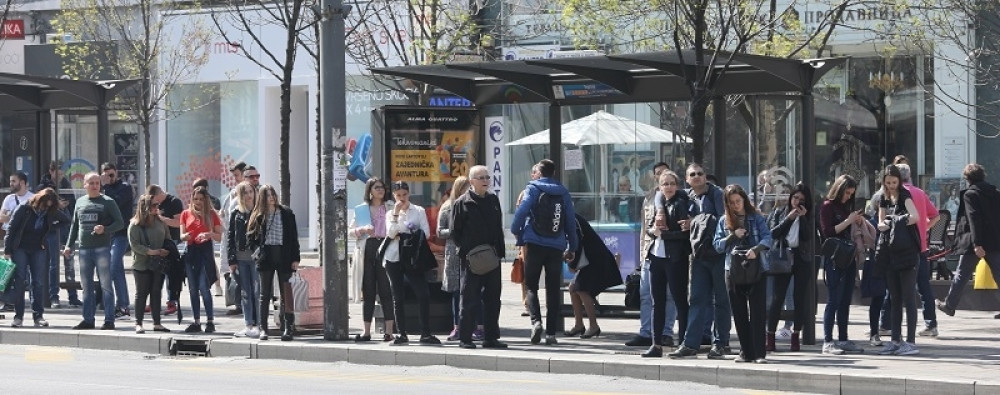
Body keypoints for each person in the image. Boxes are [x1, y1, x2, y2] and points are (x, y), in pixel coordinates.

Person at [511, 159, 579, 346]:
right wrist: (572, 246)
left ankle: (536, 322)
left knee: (531, 285)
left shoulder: (533, 188)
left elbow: (522, 211)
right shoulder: (563, 192)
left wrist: (516, 230)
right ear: (553, 173)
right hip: (556, 246)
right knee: (552, 288)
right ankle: (550, 334)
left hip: (534, 243)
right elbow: (570, 221)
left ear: (539, 173)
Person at [670, 163, 730, 359]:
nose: (696, 177)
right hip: (699, 256)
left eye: (700, 174)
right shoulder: (687, 197)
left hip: (718, 254)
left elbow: (724, 220)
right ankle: (690, 343)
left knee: (721, 300)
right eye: (692, 174)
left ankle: (721, 344)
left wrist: (694, 222)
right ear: (687, 179)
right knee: (696, 299)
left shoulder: (717, 194)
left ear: (705, 177)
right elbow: (662, 194)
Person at [451, 166, 508, 349]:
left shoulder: (493, 200)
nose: (485, 180)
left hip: (492, 257)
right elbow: (455, 232)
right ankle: (465, 338)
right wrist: (467, 251)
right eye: (481, 177)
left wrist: (499, 252)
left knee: (493, 299)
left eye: (487, 177)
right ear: (472, 181)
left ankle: (490, 337)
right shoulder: (462, 202)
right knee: (469, 299)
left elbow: (498, 227)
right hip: (471, 259)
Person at [714, 184, 772, 363]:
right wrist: (733, 235)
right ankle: (746, 352)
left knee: (758, 312)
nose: (736, 205)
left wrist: (757, 249)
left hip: (756, 267)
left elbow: (768, 237)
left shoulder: (756, 217)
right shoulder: (724, 221)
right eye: (732, 202)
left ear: (744, 200)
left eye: (738, 201)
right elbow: (717, 245)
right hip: (733, 270)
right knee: (739, 313)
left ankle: (759, 353)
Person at [641, 170, 694, 358]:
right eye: (665, 184)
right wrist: (653, 231)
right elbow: (649, 229)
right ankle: (656, 345)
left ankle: (685, 343)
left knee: (680, 300)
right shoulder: (658, 203)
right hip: (656, 256)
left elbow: (685, 235)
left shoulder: (680, 204)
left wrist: (664, 234)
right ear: (660, 187)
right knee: (657, 301)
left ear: (677, 186)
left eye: (672, 184)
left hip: (675, 258)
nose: (668, 187)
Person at [63, 172, 125, 330]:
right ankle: (88, 320)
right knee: (87, 286)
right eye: (91, 183)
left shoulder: (108, 202)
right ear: (84, 185)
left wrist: (105, 229)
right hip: (83, 249)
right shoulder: (80, 202)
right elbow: (74, 226)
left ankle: (109, 320)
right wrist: (69, 245)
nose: (95, 186)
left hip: (102, 249)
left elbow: (120, 223)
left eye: (97, 183)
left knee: (105, 285)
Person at [626, 162, 678, 348]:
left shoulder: (678, 199)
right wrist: (641, 254)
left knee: (669, 295)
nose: (662, 177)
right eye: (658, 174)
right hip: (650, 251)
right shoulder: (648, 198)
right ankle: (646, 332)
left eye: (665, 173)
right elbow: (643, 229)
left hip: (672, 254)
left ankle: (666, 332)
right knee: (646, 294)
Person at [938, 163, 1000, 317]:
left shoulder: (970, 194)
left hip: (974, 242)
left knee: (962, 274)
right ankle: (949, 305)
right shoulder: (995, 192)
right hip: (994, 241)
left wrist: (977, 243)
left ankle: (950, 305)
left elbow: (974, 218)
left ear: (967, 178)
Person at [382, 181, 439, 345]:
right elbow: (391, 233)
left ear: (409, 194)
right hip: (394, 257)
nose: (402, 199)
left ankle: (426, 333)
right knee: (397, 296)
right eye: (398, 195)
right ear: (394, 196)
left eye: (404, 195)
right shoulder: (390, 213)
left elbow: (426, 233)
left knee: (423, 294)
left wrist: (405, 233)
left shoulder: (418, 210)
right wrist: (396, 215)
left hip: (413, 258)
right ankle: (402, 334)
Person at [3, 189, 69, 328]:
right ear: (38, 201)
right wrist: (8, 251)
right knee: (20, 281)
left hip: (38, 248)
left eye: (49, 206)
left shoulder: (49, 211)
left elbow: (66, 220)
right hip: (20, 248)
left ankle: (38, 315)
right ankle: (18, 316)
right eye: (44, 205)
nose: (45, 208)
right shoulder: (24, 208)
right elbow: (11, 229)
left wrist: (51, 227)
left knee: (38, 282)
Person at [876, 164, 921, 356]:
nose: (892, 186)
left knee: (909, 297)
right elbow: (879, 222)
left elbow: (915, 217)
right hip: (890, 252)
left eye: (894, 182)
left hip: (908, 252)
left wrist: (895, 220)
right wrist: (885, 224)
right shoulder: (883, 198)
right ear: (883, 182)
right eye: (888, 183)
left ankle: (910, 341)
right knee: (894, 298)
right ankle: (895, 339)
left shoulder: (904, 196)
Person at [818, 174, 865, 355]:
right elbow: (828, 232)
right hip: (834, 257)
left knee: (845, 300)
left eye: (851, 194)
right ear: (839, 189)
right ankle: (828, 341)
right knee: (833, 300)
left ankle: (843, 338)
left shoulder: (846, 207)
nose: (848, 197)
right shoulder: (827, 206)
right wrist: (848, 221)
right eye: (847, 192)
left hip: (848, 256)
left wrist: (856, 221)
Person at [248, 185, 300, 341]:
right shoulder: (258, 215)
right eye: (268, 195)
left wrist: (296, 258)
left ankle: (288, 328)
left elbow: (293, 237)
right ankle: (264, 329)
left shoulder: (286, 213)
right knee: (264, 294)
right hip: (267, 257)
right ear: (263, 198)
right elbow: (250, 237)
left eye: (273, 194)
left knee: (287, 294)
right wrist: (258, 253)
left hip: (284, 255)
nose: (271, 197)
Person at [765, 183, 814, 352]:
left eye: (801, 200)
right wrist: (790, 219)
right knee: (777, 298)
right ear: (790, 198)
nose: (797, 202)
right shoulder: (779, 213)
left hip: (801, 258)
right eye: (795, 198)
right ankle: (770, 336)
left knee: (799, 298)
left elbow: (808, 238)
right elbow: (773, 233)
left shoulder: (807, 216)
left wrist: (804, 218)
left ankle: (795, 336)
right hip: (782, 256)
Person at [896, 164, 941, 337]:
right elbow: (936, 215)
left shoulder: (899, 194)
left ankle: (886, 323)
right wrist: (925, 228)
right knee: (924, 286)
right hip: (921, 245)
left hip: (903, 248)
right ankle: (931, 324)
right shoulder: (920, 192)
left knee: (893, 287)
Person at [348, 177, 395, 342]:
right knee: (367, 292)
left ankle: (389, 331)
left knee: (386, 291)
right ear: (369, 190)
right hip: (367, 250)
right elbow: (350, 231)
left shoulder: (390, 207)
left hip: (385, 248)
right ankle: (366, 332)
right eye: (376, 187)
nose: (380, 190)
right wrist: (362, 229)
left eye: (382, 187)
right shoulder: (361, 209)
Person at [567, 212, 622, 341]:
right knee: (573, 287)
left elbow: (577, 243)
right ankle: (579, 324)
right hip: (591, 259)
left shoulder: (572, 219)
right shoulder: (570, 218)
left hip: (597, 260)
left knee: (582, 289)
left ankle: (593, 326)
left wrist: (573, 263)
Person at [179, 186, 223, 334]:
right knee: (192, 289)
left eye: (201, 199)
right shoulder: (185, 214)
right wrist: (186, 237)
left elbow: (219, 236)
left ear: (206, 200)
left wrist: (208, 234)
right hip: (191, 252)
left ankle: (210, 321)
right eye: (195, 199)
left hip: (205, 253)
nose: (198, 202)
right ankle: (196, 321)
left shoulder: (211, 214)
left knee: (204, 288)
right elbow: (182, 235)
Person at [37, 161, 80, 308]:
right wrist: (57, 204)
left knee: (70, 264)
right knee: (53, 265)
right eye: (58, 173)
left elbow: (73, 203)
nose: (61, 176)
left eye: (62, 173)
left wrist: (66, 204)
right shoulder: (43, 185)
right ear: (51, 171)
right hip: (52, 230)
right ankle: (53, 296)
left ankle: (72, 295)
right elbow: (41, 206)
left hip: (66, 227)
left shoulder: (66, 185)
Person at [127, 194, 171, 334]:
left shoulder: (160, 222)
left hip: (158, 263)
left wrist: (166, 250)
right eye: (153, 205)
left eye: (157, 205)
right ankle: (138, 323)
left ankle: (157, 322)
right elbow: (134, 245)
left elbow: (167, 239)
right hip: (142, 264)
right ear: (144, 206)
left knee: (156, 292)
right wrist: (150, 252)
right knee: (141, 293)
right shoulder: (135, 225)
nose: (156, 208)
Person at [437, 176, 471, 341]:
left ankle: (476, 326)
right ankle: (457, 327)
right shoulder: (447, 207)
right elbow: (439, 231)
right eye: (466, 187)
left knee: (474, 291)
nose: (469, 190)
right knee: (457, 292)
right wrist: (455, 231)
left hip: (473, 252)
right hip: (455, 253)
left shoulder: (474, 204)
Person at [100, 163, 134, 320]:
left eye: (111, 175)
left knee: (114, 266)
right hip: (106, 234)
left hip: (121, 233)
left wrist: (105, 187)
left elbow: (115, 204)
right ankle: (121, 305)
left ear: (117, 173)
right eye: (105, 175)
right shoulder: (102, 189)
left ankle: (123, 305)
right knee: (113, 268)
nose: (109, 178)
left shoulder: (125, 187)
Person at [227, 182, 261, 338]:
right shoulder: (236, 213)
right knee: (245, 292)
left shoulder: (259, 212)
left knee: (257, 291)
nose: (249, 195)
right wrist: (231, 259)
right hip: (240, 258)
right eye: (245, 192)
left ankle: (260, 324)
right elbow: (230, 237)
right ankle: (248, 324)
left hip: (255, 257)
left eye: (251, 192)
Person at [148, 185, 184, 316]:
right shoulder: (155, 204)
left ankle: (172, 301)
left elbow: (178, 222)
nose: (155, 203)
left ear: (159, 194)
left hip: (171, 240)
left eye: (155, 199)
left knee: (170, 271)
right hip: (157, 240)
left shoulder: (174, 202)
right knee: (156, 271)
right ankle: (153, 301)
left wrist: (161, 219)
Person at [220, 163, 247, 316]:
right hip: (231, 238)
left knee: (243, 273)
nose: (235, 179)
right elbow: (225, 214)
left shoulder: (248, 192)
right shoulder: (232, 193)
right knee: (233, 272)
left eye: (237, 175)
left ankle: (243, 304)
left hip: (242, 240)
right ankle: (237, 304)